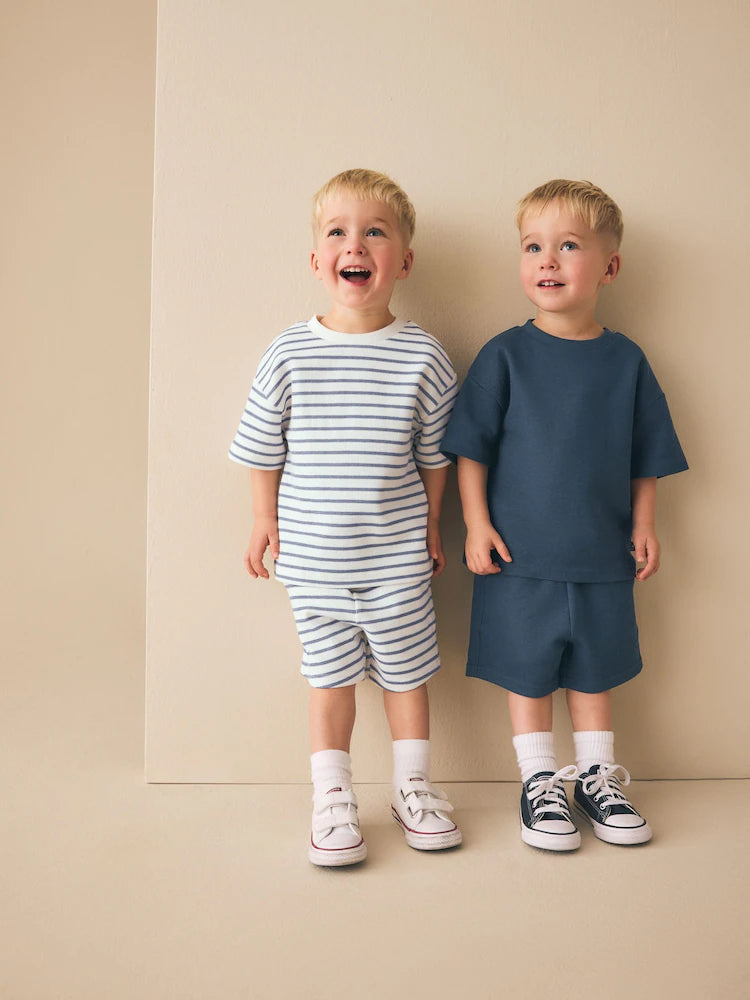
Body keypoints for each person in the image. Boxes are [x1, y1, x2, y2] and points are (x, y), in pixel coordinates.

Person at [440, 179, 688, 851]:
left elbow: (646, 456)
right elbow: (471, 450)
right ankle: (540, 782)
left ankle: (597, 778)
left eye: (568, 246)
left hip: (601, 555)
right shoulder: (505, 356)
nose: (546, 260)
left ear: (609, 267)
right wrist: (477, 522)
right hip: (518, 557)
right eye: (533, 246)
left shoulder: (626, 362)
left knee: (595, 668)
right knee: (527, 669)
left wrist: (643, 524)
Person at [229, 168, 461, 866]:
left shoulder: (423, 355)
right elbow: (262, 448)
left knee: (406, 678)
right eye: (337, 232)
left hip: (397, 563)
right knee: (329, 683)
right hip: (314, 564)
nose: (353, 245)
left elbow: (436, 457)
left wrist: (430, 525)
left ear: (404, 260)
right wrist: (262, 522)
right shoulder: (289, 352)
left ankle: (413, 789)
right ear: (316, 259)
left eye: (374, 232)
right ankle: (332, 798)